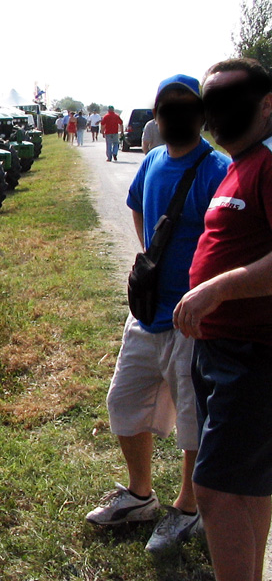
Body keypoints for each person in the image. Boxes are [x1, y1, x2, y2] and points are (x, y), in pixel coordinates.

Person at [87, 75, 229, 554]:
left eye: (183, 107)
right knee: (123, 402)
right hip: (146, 316)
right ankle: (140, 495)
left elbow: (230, 241)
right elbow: (135, 208)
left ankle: (187, 508)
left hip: (194, 322)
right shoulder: (150, 160)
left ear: (200, 114)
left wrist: (207, 291)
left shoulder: (217, 169)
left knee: (192, 420)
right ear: (157, 115)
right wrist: (151, 253)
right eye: (165, 107)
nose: (172, 115)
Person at [174, 57, 272, 581]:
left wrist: (218, 288)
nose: (217, 116)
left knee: (213, 489)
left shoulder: (269, 163)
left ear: (267, 105)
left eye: (230, 102)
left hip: (251, 355)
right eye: (211, 105)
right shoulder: (241, 162)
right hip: (221, 352)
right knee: (247, 486)